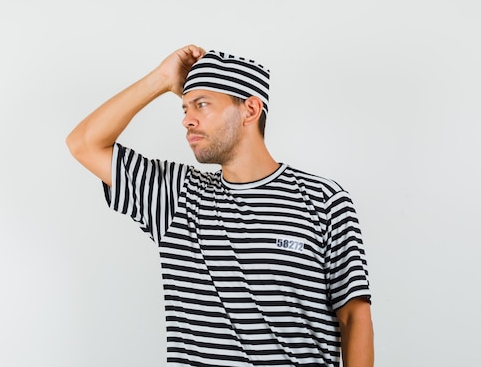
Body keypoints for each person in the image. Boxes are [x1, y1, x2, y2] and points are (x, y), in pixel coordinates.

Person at [66, 45, 374, 367]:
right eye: (184, 108)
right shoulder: (177, 196)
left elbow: (354, 315)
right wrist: (161, 79)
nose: (187, 120)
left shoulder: (323, 200)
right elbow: (84, 143)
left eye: (202, 105)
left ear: (250, 110)